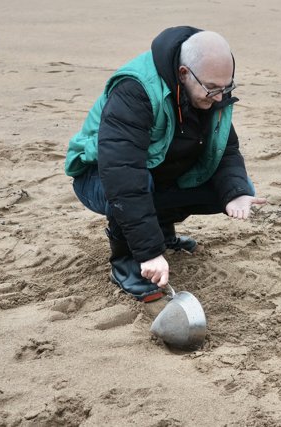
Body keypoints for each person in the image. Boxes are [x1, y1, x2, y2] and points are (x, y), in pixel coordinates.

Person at [65, 26, 266, 302]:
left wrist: (236, 191)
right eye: (213, 89)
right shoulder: (135, 91)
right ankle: (125, 260)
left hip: (145, 171)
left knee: (234, 191)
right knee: (139, 181)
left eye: (227, 87)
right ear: (184, 74)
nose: (220, 98)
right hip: (97, 176)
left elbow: (224, 148)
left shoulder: (211, 84)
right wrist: (148, 252)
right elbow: (122, 176)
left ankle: (161, 231)